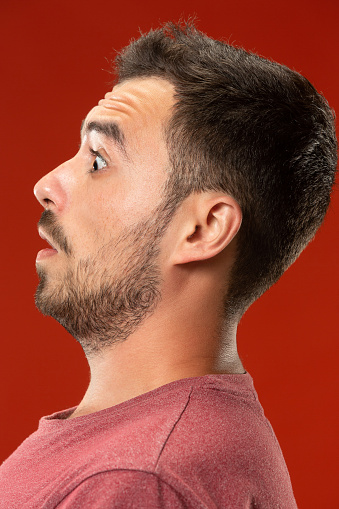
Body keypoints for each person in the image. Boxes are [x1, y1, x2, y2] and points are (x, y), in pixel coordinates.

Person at [0, 20, 336, 509]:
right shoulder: (159, 449)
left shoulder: (139, 479)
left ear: (203, 229)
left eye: (98, 159)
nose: (46, 184)